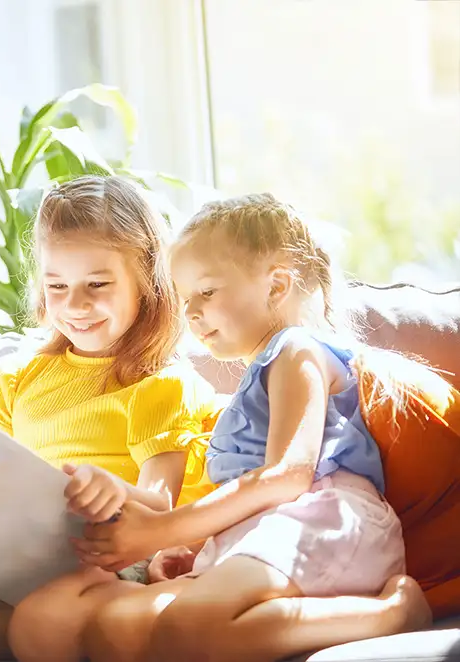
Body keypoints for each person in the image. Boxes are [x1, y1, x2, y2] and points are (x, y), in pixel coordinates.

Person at [60, 193, 438, 662]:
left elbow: (288, 475)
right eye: (184, 300)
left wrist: (161, 529)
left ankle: (391, 615)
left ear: (277, 286)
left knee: (187, 626)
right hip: (266, 529)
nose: (192, 312)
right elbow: (250, 490)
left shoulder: (296, 350)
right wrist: (194, 546)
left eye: (208, 291)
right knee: (116, 627)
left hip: (324, 518)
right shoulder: (254, 379)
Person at [0, 175, 221, 661]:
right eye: (57, 286)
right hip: (33, 568)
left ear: (148, 281)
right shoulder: (18, 376)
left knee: (44, 618)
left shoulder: (158, 383)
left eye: (97, 284)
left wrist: (111, 489)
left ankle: (71, 633)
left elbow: (161, 508)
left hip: (119, 567)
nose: (75, 305)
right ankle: (65, 640)